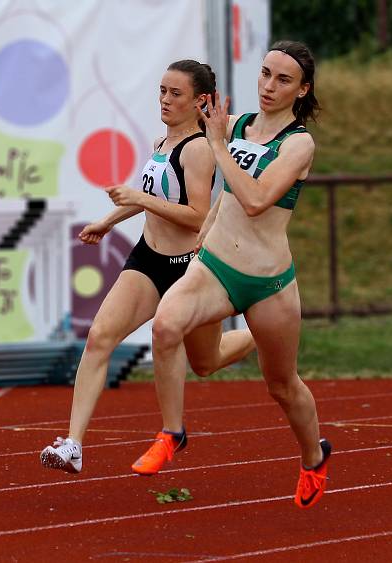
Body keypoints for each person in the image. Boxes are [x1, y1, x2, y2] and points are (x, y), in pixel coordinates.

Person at [138, 40, 330, 509]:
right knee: (166, 326)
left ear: (302, 90)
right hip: (216, 268)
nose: (268, 85)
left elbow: (256, 199)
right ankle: (172, 432)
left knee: (282, 385)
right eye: (265, 73)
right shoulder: (239, 123)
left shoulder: (298, 143)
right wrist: (206, 229)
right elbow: (225, 195)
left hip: (269, 282)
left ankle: (313, 456)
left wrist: (219, 145)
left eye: (283, 80)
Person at [40, 60, 255, 474]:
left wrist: (139, 201)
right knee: (101, 335)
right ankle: (73, 444)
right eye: (162, 91)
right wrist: (108, 220)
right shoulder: (162, 141)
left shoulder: (197, 149)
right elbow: (151, 194)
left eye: (176, 94)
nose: (165, 100)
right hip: (148, 259)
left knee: (206, 363)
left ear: (200, 102)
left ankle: (260, 336)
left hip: (190, 267)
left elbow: (196, 215)